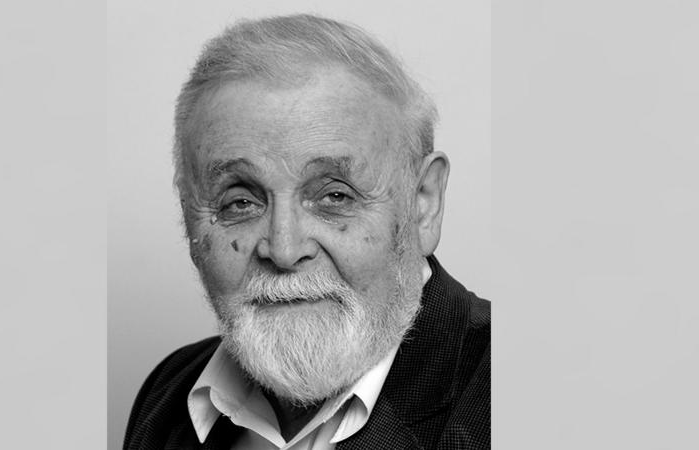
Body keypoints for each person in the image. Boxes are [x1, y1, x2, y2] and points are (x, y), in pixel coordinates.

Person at [124, 14, 490, 450]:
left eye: (334, 196)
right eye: (240, 202)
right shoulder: (167, 395)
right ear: (188, 213)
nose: (284, 250)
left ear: (423, 204)